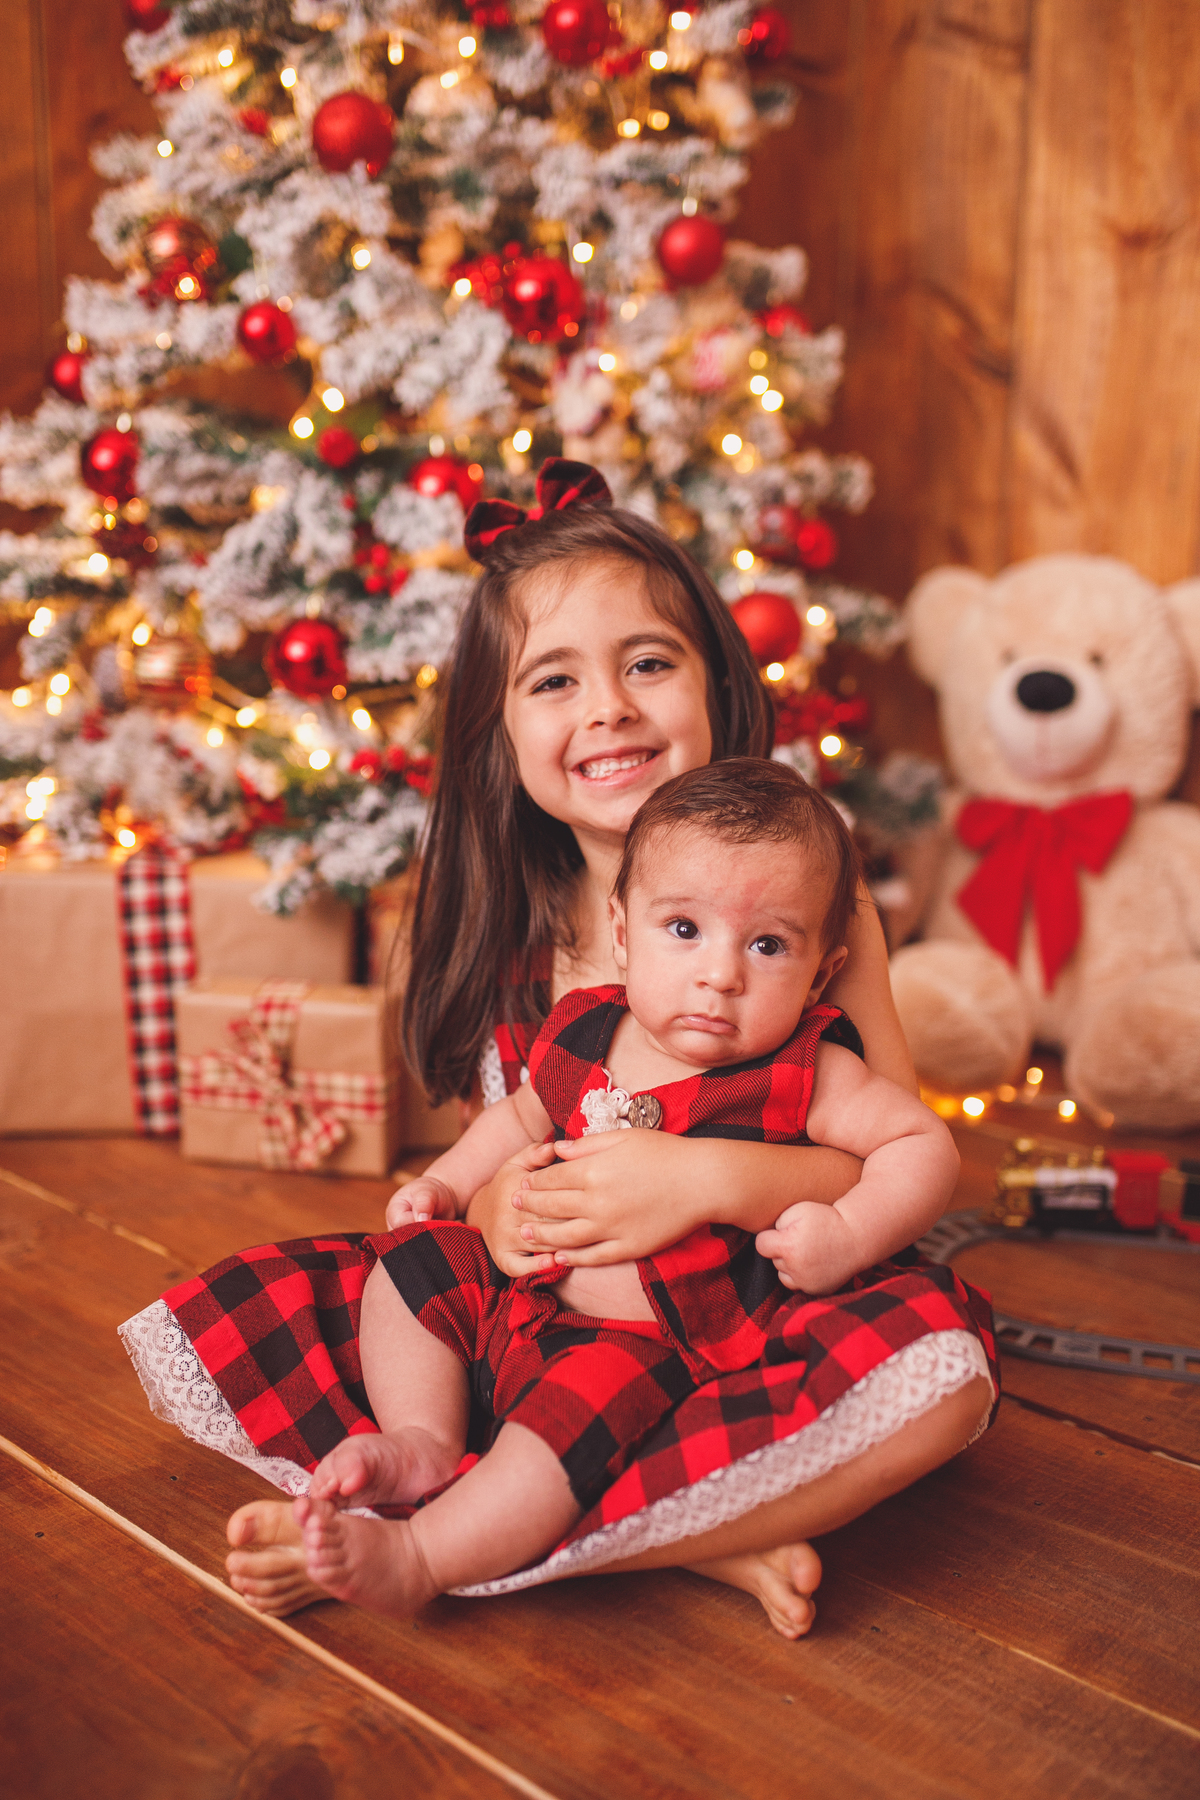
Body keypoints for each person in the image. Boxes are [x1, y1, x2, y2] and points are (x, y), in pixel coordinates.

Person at [120, 460, 996, 1640]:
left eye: (648, 663)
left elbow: (888, 1154)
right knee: (382, 1288)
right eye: (554, 680)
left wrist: (702, 1180)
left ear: (715, 684)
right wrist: (481, 1220)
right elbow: (506, 1150)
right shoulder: (524, 940)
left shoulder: (818, 914)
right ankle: (663, 1522)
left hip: (738, 1315)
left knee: (947, 1386)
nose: (610, 709)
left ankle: (539, 1551)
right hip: (537, 1323)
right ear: (503, 737)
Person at [294, 760, 964, 1618]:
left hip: (640, 1346)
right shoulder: (584, 1026)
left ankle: (423, 1553)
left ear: (821, 972)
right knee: (409, 1264)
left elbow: (922, 1144)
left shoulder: (807, 1069)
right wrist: (447, 1183)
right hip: (513, 1297)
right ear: (623, 931)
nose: (720, 974)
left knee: (561, 1437)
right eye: (684, 928)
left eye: (767, 945)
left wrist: (851, 1233)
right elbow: (520, 1119)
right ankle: (423, 1438)